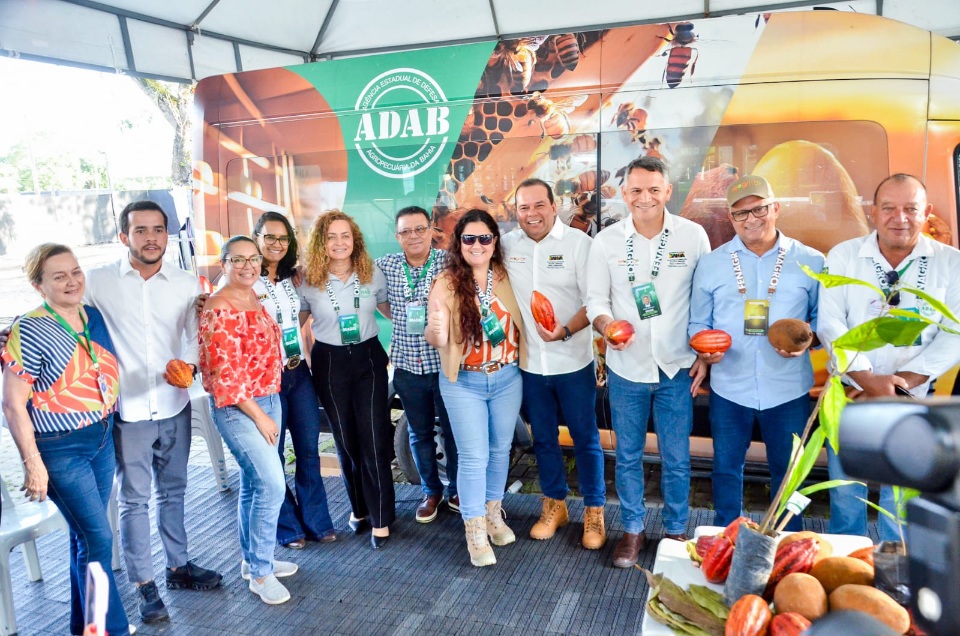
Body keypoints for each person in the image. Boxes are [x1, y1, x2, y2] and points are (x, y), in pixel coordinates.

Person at [84, 201, 221, 623]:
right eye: (140, 230)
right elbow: (63, 313)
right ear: (123, 236)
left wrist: (190, 366)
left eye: (158, 230)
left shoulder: (185, 283)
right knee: (134, 500)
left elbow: (195, 335)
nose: (151, 238)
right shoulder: (97, 282)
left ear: (168, 235)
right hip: (127, 410)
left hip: (174, 404)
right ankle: (144, 584)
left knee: (174, 491)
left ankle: (178, 567)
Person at [817, 173, 960, 541]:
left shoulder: (951, 263)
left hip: (913, 399)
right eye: (889, 208)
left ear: (926, 212)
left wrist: (901, 384)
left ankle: (895, 570)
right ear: (873, 212)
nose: (900, 218)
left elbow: (955, 332)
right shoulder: (844, 256)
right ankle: (846, 559)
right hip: (851, 396)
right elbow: (830, 324)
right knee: (846, 493)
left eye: (911, 208)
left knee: (901, 500)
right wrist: (868, 379)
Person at [1, 244, 133, 635]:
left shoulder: (93, 316)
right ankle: (106, 629)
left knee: (84, 536)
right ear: (38, 285)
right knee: (98, 537)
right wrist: (33, 464)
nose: (72, 281)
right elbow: (12, 405)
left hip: (101, 436)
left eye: (75, 272)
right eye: (59, 276)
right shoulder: (29, 329)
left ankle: (84, 626)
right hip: (59, 446)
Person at [585, 156, 710, 568]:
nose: (645, 197)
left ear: (667, 191)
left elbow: (705, 300)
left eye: (654, 189)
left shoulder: (693, 236)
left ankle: (675, 530)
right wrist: (607, 326)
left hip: (677, 366)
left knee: (677, 458)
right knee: (628, 456)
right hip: (627, 367)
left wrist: (704, 355)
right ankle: (633, 530)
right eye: (636, 190)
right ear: (624, 194)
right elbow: (595, 301)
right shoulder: (606, 241)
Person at [689, 175, 823, 532]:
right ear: (730, 218)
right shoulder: (712, 263)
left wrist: (809, 340)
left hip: (788, 389)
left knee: (790, 474)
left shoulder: (811, 261)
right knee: (725, 469)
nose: (751, 219)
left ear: (775, 208)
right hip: (730, 387)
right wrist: (704, 351)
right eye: (740, 213)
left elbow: (823, 321)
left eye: (759, 209)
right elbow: (698, 323)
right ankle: (725, 538)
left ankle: (788, 541)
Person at [502, 179, 607, 549]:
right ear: (516, 212)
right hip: (530, 365)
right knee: (544, 439)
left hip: (573, 362)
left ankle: (594, 510)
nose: (531, 214)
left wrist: (564, 331)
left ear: (553, 206)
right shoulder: (507, 245)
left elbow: (594, 302)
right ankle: (554, 505)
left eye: (538, 205)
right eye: (523, 207)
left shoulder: (580, 244)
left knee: (586, 438)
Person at [199, 236, 296, 604]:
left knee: (255, 485)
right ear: (223, 263)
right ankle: (260, 574)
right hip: (239, 407)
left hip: (268, 398)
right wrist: (261, 417)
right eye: (237, 259)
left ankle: (254, 560)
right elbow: (224, 376)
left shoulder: (252, 295)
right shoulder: (219, 307)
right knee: (271, 485)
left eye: (253, 259)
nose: (247, 266)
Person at [426, 209, 525, 567]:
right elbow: (434, 335)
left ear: (495, 241)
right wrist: (436, 331)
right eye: (469, 238)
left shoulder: (506, 276)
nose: (477, 245)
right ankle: (475, 530)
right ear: (459, 243)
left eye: (485, 238)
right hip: (464, 381)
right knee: (473, 456)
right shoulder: (446, 281)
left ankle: (493, 515)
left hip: (506, 377)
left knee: (500, 450)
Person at [299, 210, 395, 549]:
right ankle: (360, 509)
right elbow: (293, 321)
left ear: (355, 240)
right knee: (346, 440)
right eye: (331, 237)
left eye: (345, 236)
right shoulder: (308, 278)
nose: (339, 243)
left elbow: (390, 309)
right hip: (330, 362)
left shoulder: (372, 272)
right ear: (321, 242)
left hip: (368, 358)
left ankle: (381, 518)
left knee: (373, 436)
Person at [251, 212, 336, 549]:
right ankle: (287, 526)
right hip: (265, 378)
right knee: (273, 455)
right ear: (256, 238)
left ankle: (317, 521)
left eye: (283, 238)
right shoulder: (244, 279)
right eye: (269, 237)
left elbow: (300, 316)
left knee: (308, 450)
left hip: (298, 373)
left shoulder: (292, 278)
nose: (277, 244)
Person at [375, 206, 460, 523]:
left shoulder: (448, 262)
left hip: (444, 365)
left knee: (453, 431)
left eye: (419, 229)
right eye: (406, 231)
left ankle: (457, 490)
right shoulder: (384, 265)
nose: (413, 236)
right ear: (397, 236)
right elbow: (378, 300)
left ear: (431, 231)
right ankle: (431, 492)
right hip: (407, 366)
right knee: (419, 433)